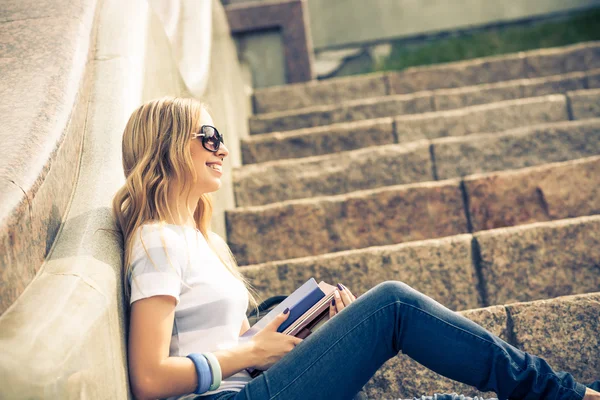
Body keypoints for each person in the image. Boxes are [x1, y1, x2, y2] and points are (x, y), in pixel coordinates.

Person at [111, 96, 600, 400]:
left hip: (251, 384)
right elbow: (150, 378)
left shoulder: (204, 240)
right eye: (209, 136)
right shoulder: (155, 241)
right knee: (392, 305)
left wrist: (307, 325)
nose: (221, 148)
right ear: (170, 147)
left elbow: (231, 341)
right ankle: (556, 394)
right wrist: (251, 351)